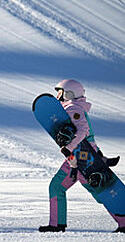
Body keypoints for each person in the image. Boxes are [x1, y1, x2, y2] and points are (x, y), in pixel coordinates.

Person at [39, 79, 124, 233]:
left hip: (82, 159)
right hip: (80, 158)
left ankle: (57, 224)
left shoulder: (73, 108)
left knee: (62, 187)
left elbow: (83, 131)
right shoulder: (72, 108)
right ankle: (57, 224)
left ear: (69, 93)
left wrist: (69, 147)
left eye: (61, 92)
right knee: (97, 190)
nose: (58, 96)